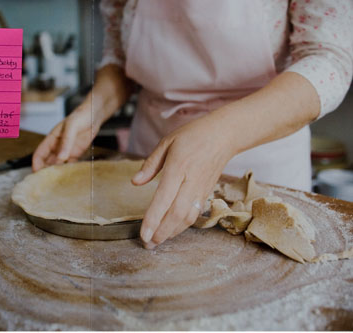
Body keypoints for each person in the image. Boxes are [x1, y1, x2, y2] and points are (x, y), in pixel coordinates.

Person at [32, 0, 353, 249]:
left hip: (264, 167)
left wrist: (221, 136)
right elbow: (118, 55)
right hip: (150, 164)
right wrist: (93, 111)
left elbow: (329, 61)